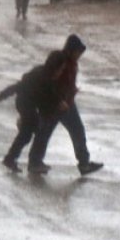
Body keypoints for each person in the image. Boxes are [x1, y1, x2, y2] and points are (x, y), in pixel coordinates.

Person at [29, 34, 104, 176]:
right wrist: (58, 100)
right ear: (71, 50)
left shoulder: (72, 63)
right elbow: (50, 84)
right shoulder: (60, 62)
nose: (79, 55)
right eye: (78, 52)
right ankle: (35, 162)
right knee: (45, 132)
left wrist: (72, 91)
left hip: (67, 103)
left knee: (76, 131)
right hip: (56, 104)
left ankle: (84, 163)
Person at [0, 51, 67, 173]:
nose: (61, 72)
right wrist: (1, 96)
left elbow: (49, 96)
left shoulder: (44, 74)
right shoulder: (43, 78)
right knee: (33, 132)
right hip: (26, 105)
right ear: (55, 67)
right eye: (61, 69)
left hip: (26, 105)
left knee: (27, 134)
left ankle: (11, 158)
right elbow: (19, 87)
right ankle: (14, 158)